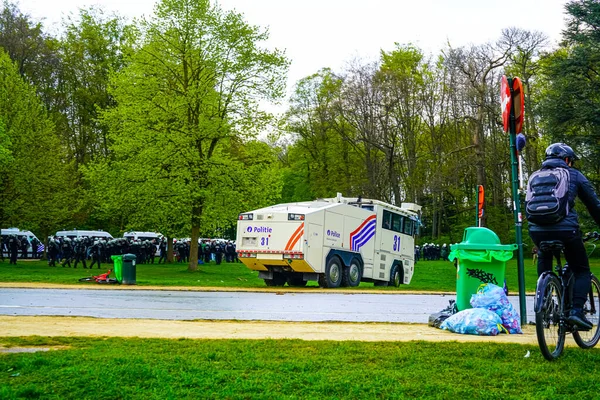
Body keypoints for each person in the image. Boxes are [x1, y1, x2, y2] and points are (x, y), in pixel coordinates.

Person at [527, 143, 600, 330]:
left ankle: (545, 301)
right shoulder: (573, 175)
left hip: (537, 231)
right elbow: (594, 205)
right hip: (566, 231)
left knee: (545, 259)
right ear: (567, 159)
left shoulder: (535, 176)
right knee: (581, 270)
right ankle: (575, 311)